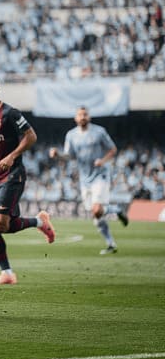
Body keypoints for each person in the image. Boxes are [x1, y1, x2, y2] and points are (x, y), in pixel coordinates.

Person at [0, 73, 55, 286]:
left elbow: (31, 136)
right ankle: (6, 273)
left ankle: (39, 222)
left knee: (1, 224)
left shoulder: (10, 113)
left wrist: (12, 156)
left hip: (12, 175)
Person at [49, 106, 127, 254]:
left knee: (97, 209)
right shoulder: (71, 135)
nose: (83, 117)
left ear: (89, 117)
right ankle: (111, 241)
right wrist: (58, 154)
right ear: (75, 118)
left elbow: (112, 149)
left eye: (85, 114)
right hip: (85, 179)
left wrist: (102, 161)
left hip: (100, 175)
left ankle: (115, 215)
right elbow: (69, 155)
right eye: (80, 115)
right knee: (95, 213)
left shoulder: (99, 131)